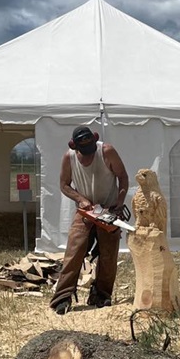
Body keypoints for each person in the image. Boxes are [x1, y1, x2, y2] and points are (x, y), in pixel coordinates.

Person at [49, 126, 129, 315]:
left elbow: (123, 177)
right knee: (74, 251)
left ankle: (101, 294)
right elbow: (64, 185)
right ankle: (62, 297)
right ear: (74, 146)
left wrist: (118, 204)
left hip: (108, 208)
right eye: (82, 148)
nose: (87, 152)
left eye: (90, 146)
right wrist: (81, 200)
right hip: (86, 211)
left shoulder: (106, 151)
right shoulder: (69, 157)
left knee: (108, 254)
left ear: (94, 140)